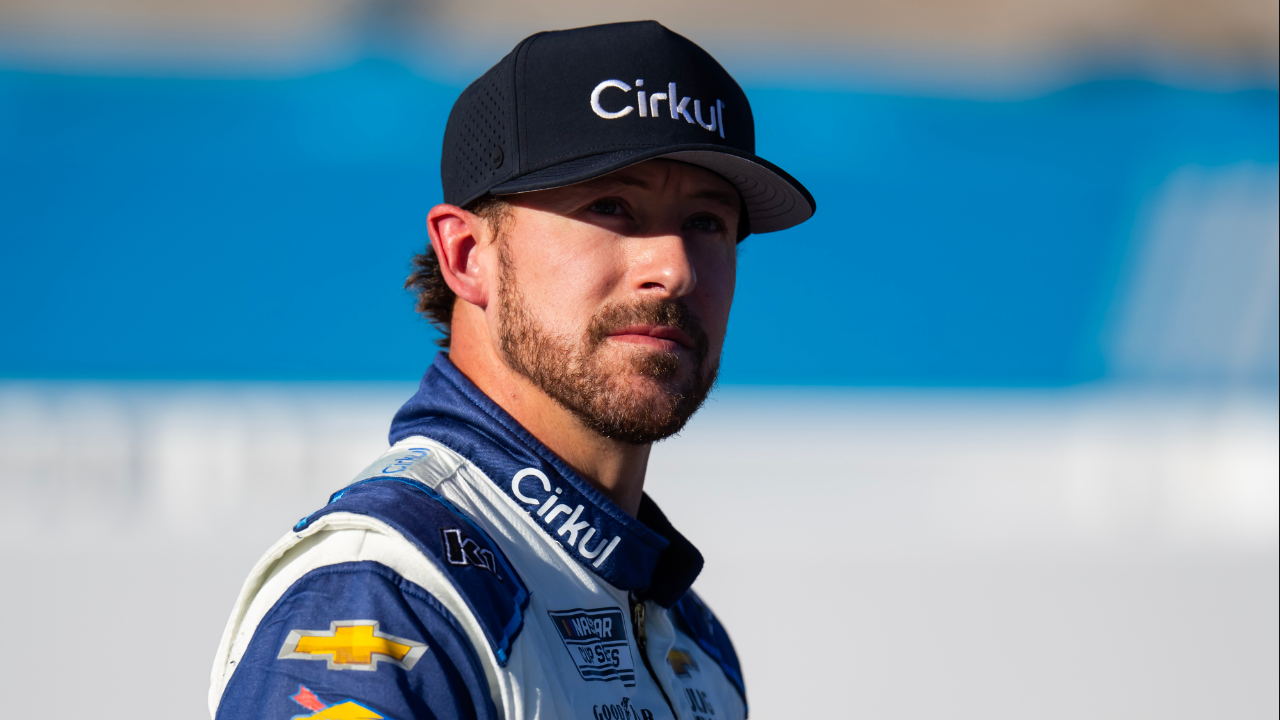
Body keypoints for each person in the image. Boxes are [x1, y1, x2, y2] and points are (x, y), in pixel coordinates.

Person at [208, 20, 814, 720]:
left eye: (707, 223)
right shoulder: (392, 590)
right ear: (467, 255)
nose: (673, 269)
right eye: (612, 207)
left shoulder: (695, 645)